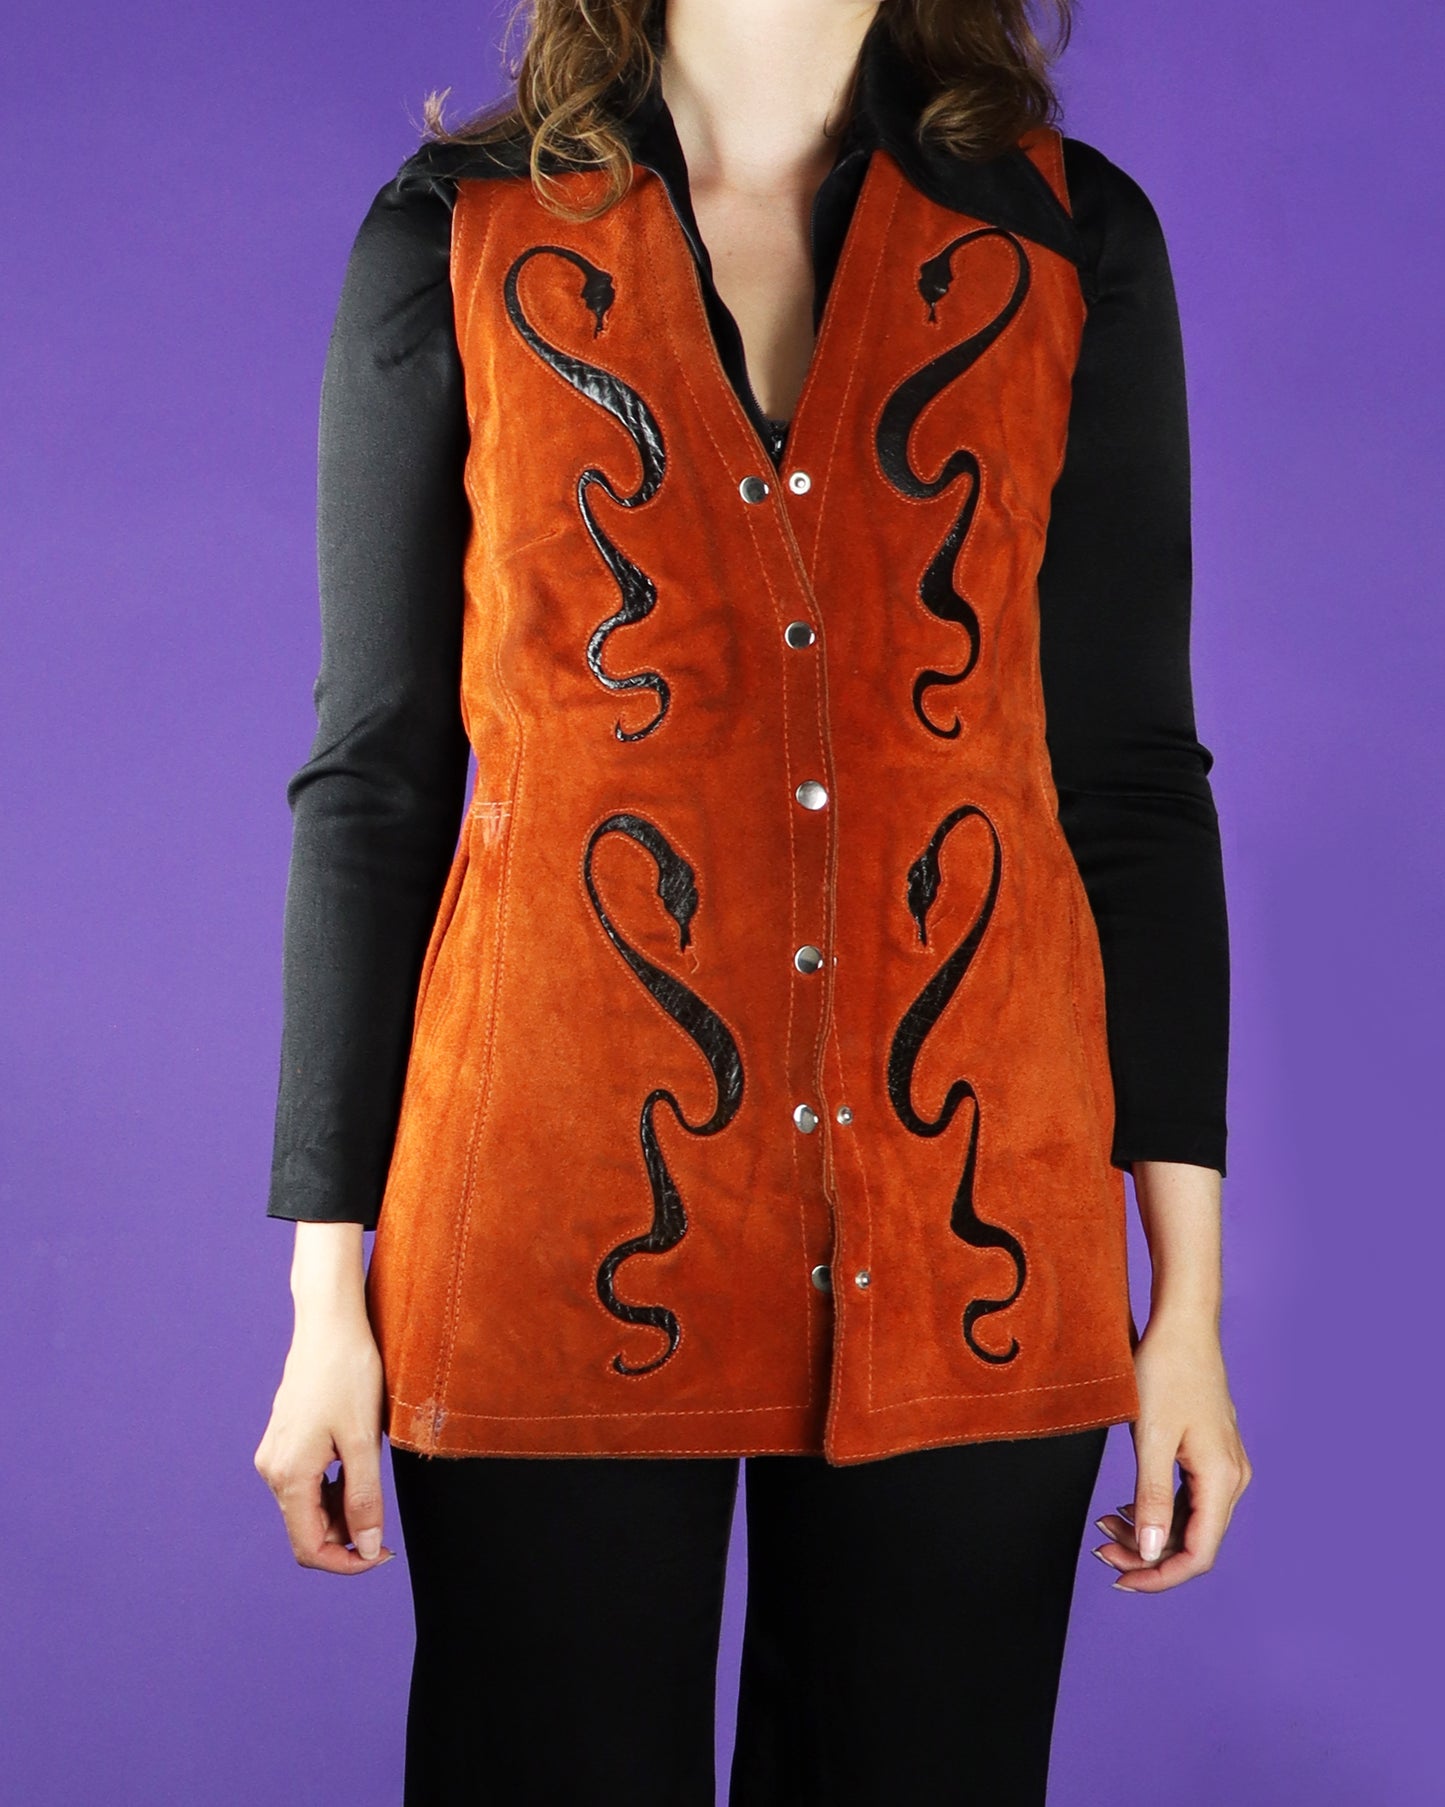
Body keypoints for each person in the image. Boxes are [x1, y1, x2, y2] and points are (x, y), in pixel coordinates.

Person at [254, 0, 1253, 1799]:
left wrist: (1182, 1306)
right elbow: (375, 782)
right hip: (552, 1213)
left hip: (974, 1230)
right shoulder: (460, 232)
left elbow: (1126, 781)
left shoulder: (1062, 234)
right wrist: (327, 1301)